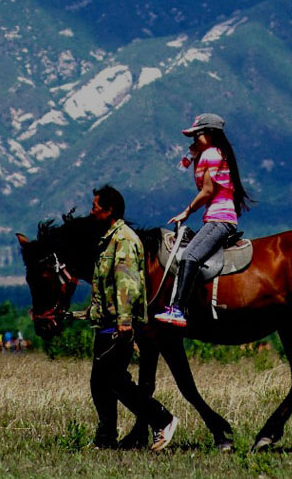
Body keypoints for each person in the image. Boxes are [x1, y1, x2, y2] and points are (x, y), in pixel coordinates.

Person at [84, 185, 179, 450]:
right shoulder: (108, 239)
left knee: (115, 380)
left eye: (95, 207)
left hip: (119, 324)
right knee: (100, 382)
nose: (91, 212)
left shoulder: (124, 240)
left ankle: (163, 420)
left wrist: (125, 321)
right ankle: (105, 439)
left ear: (109, 210)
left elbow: (126, 283)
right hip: (107, 323)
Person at [154, 113, 252, 327]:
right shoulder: (211, 154)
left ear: (209, 134)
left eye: (196, 134)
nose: (193, 139)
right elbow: (180, 169)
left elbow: (207, 191)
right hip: (214, 217)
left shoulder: (213, 155)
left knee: (190, 256)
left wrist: (186, 212)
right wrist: (191, 155)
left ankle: (179, 309)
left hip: (220, 219)